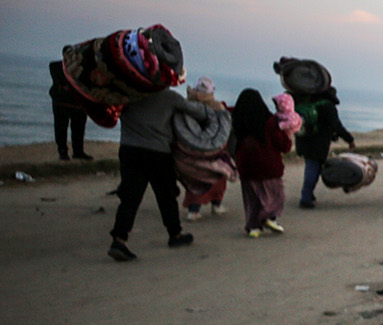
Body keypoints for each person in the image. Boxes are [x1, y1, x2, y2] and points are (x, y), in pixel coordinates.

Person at [107, 85, 211, 260]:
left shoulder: (128, 93)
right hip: (158, 151)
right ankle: (175, 235)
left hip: (129, 149)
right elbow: (198, 112)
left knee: (129, 197)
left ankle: (119, 239)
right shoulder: (168, 97)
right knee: (166, 195)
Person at [231, 88, 292, 239]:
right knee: (275, 195)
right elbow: (282, 144)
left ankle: (253, 227)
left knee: (251, 198)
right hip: (268, 165)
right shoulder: (270, 122)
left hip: (246, 166)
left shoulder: (238, 122)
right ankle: (268, 217)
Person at [177, 78, 231, 220]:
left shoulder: (187, 106)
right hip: (215, 150)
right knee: (217, 178)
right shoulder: (217, 107)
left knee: (196, 180)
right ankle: (216, 205)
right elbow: (224, 129)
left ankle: (193, 210)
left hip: (191, 150)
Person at [294, 88, 355, 210]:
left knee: (311, 166)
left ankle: (309, 195)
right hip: (318, 143)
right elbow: (336, 125)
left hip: (303, 140)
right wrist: (349, 139)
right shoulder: (327, 106)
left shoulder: (306, 102)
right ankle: (305, 198)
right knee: (313, 168)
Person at [49, 65, 92, 161]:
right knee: (62, 128)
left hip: (76, 103)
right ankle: (64, 152)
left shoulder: (81, 68)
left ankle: (77, 151)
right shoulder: (58, 68)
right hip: (65, 103)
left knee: (77, 129)